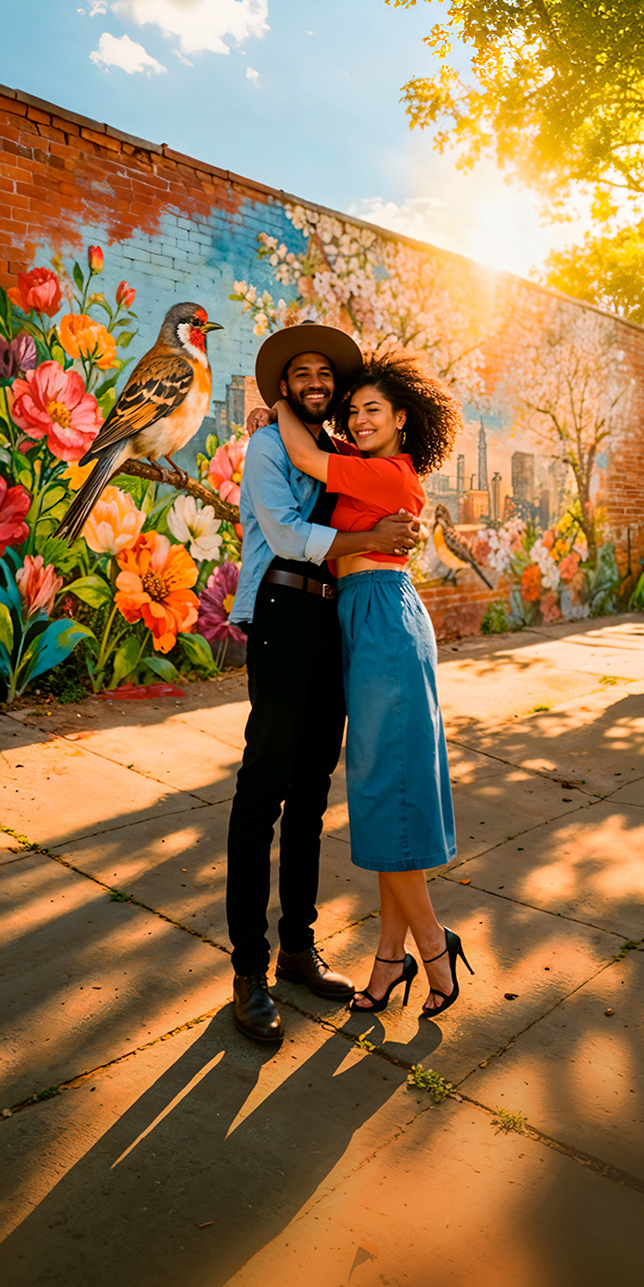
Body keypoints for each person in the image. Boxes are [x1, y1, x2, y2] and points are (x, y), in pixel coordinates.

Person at [222, 323, 422, 1046]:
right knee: (264, 790)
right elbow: (283, 532)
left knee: (311, 795)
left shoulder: (338, 449)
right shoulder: (269, 446)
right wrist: (370, 540)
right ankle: (248, 970)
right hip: (282, 614)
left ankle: (297, 949)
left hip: (334, 619)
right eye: (300, 373)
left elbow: (378, 496)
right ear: (284, 386)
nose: (315, 382)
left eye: (324, 374)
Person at [269, 346, 475, 1019]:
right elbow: (319, 454)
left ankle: (433, 945)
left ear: (402, 418)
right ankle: (391, 956)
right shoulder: (362, 466)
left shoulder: (391, 474)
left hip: (383, 617)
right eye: (353, 411)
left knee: (389, 787)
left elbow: (305, 456)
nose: (359, 420)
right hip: (361, 618)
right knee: (383, 791)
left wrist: (278, 404)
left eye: (373, 410)